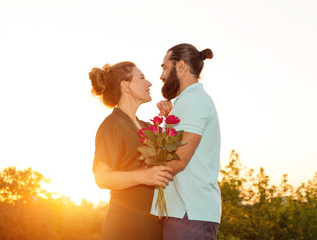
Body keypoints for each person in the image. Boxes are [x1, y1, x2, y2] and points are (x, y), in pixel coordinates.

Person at [89, 61, 174, 240]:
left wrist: (168, 118)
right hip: (127, 226)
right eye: (142, 78)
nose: (149, 83)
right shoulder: (112, 125)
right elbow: (101, 177)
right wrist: (144, 176)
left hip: (153, 224)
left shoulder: (147, 127)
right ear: (125, 86)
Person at [151, 44, 222, 240]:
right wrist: (168, 118)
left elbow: (178, 161)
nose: (162, 75)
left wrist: (138, 175)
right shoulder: (186, 101)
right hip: (183, 212)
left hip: (190, 213)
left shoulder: (194, 100)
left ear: (181, 66)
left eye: (165, 67)